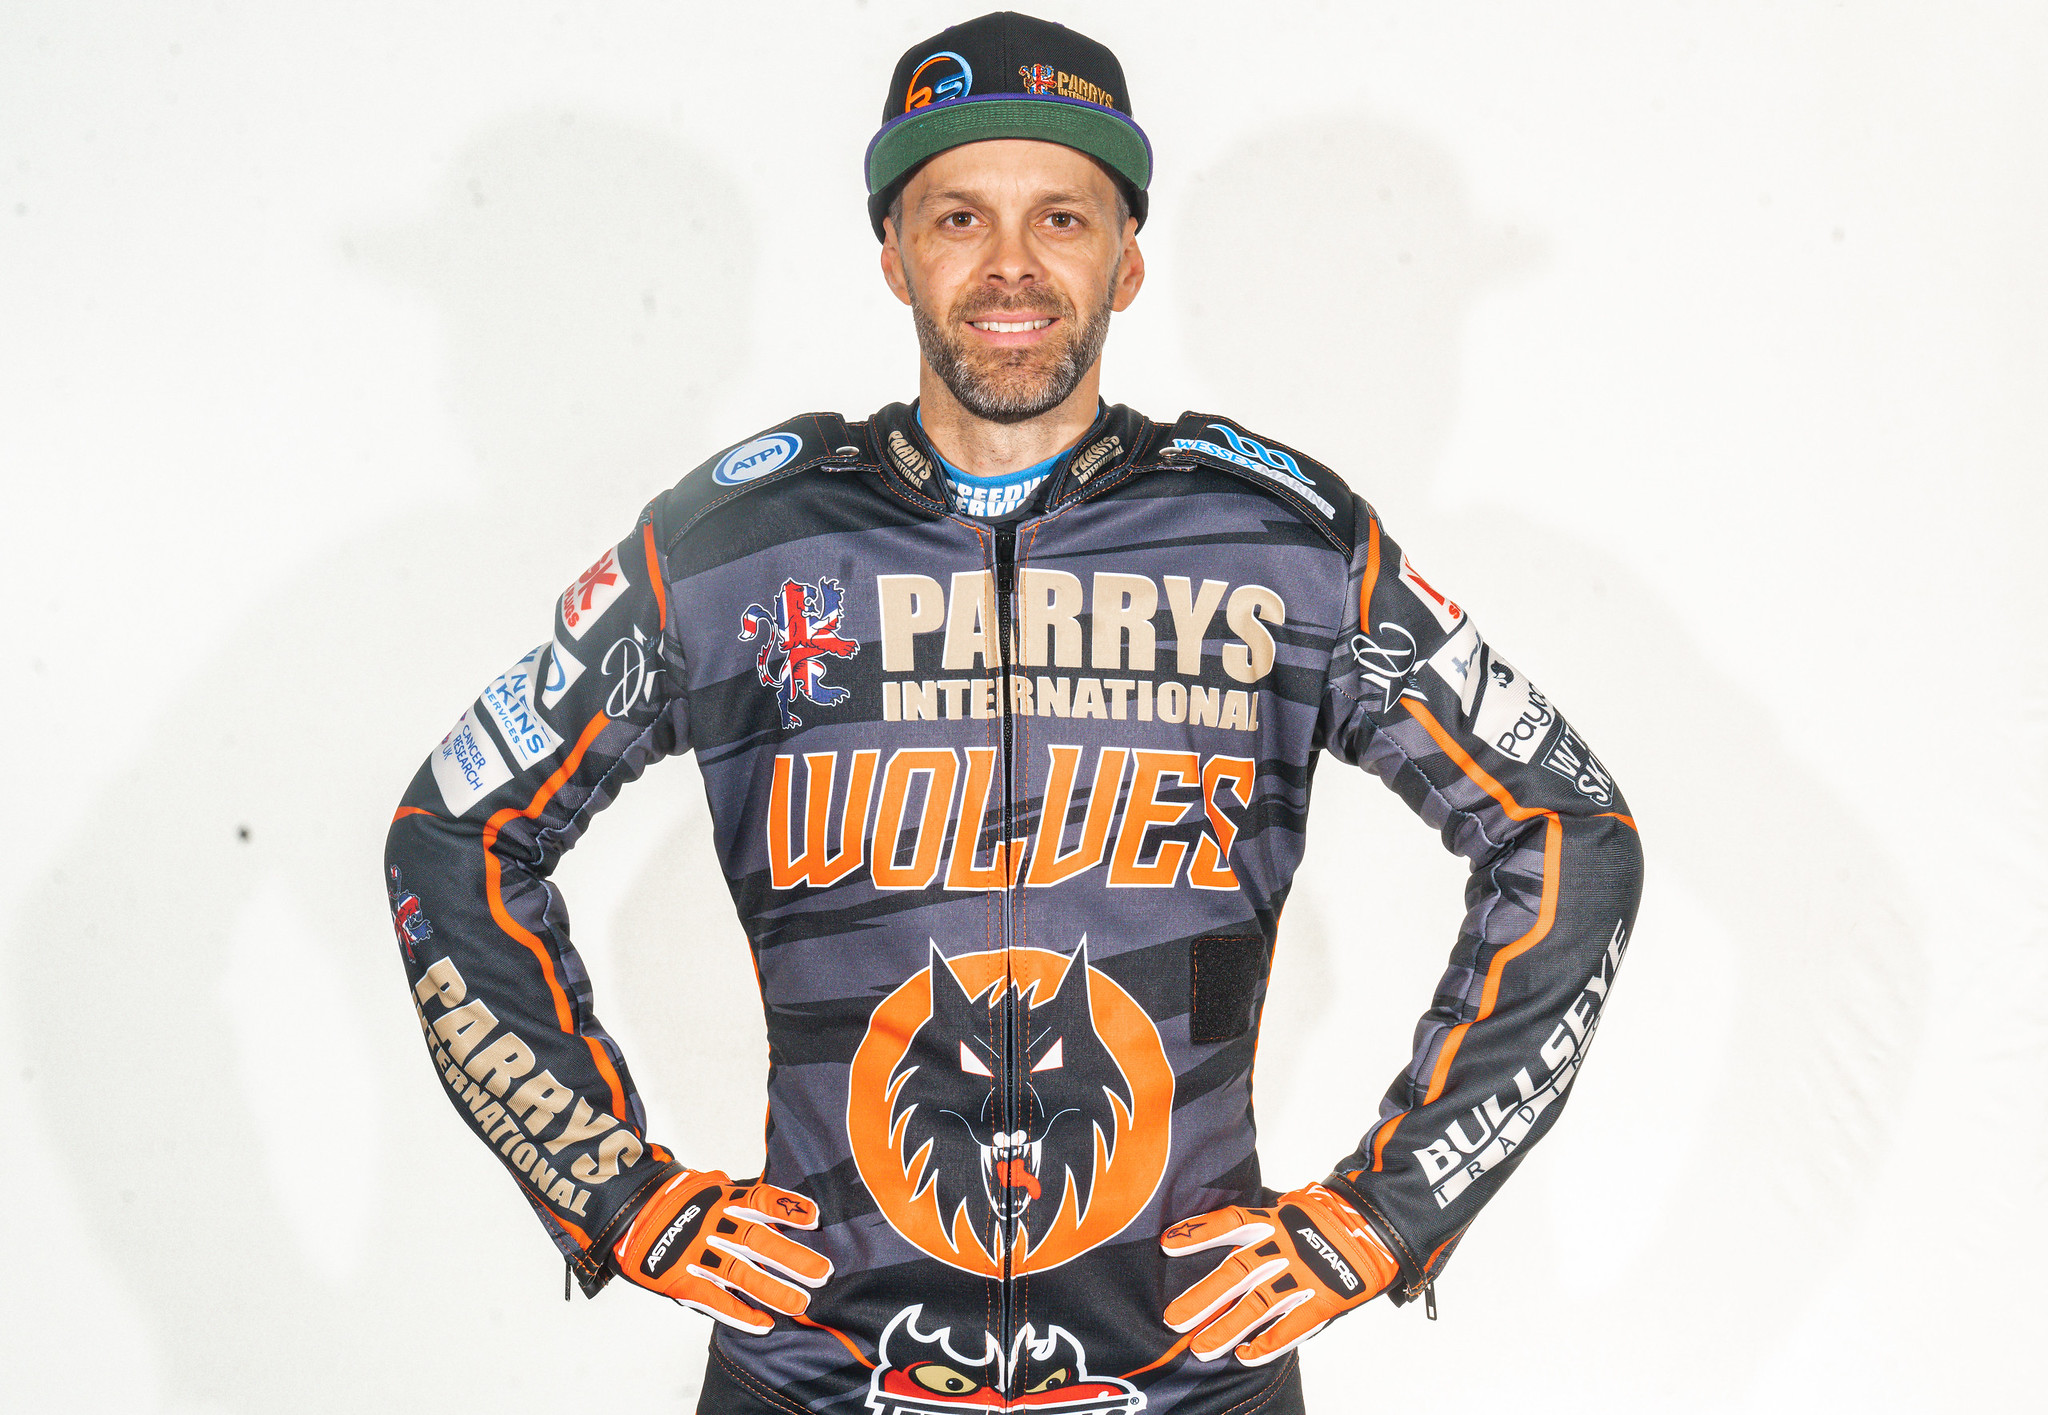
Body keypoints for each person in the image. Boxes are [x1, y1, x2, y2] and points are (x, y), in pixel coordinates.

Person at [384, 12, 1644, 1413]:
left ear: (1128, 257)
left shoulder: (1278, 542)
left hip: (1187, 1376)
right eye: (957, 217)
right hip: (817, 1375)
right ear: (892, 253)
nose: (1010, 266)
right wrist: (610, 1189)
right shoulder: (738, 543)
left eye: (1061, 217)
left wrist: (1391, 1212)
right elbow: (456, 831)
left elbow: (1565, 830)